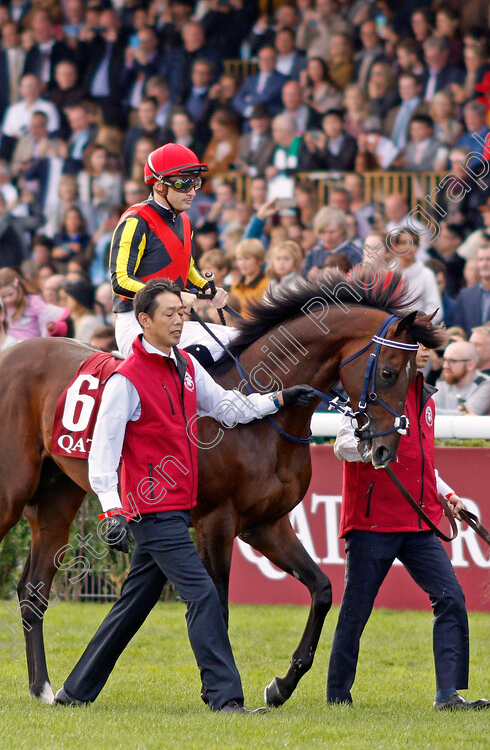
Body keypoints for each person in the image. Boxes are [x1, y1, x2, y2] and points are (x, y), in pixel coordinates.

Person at [54, 278, 315, 712]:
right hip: (151, 511)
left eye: (182, 312)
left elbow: (230, 408)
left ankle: (74, 692)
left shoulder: (187, 367)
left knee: (133, 605)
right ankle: (225, 699)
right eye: (170, 314)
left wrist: (281, 398)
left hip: (178, 507)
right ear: (144, 321)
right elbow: (104, 450)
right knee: (202, 594)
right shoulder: (126, 380)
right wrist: (112, 510)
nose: (180, 321)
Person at [327, 343, 490, 712]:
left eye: (431, 345)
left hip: (418, 520)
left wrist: (448, 493)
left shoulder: (427, 399)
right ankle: (338, 695)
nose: (427, 350)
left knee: (450, 597)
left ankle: (448, 695)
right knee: (357, 608)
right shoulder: (367, 392)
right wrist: (373, 449)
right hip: (372, 521)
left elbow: (421, 463)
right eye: (419, 344)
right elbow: (341, 446)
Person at [109, 142, 234, 362]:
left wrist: (209, 289)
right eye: (184, 183)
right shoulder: (136, 220)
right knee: (226, 340)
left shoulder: (185, 220)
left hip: (169, 320)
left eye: (196, 182)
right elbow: (120, 280)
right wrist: (173, 296)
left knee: (236, 338)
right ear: (159, 186)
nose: (193, 192)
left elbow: (188, 268)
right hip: (138, 321)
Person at [0, 268, 64, 340]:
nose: (8, 299)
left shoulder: (32, 301)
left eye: (10, 294)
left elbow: (48, 318)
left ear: (18, 288)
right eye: (3, 296)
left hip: (32, 345)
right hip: (11, 347)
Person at [434, 340, 490, 415]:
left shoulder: (485, 384)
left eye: (452, 361)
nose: (445, 366)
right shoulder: (442, 382)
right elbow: (428, 407)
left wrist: (430, 412)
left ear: (470, 365)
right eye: (444, 360)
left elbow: (466, 416)